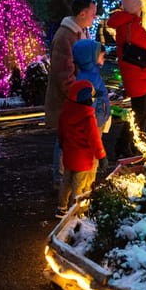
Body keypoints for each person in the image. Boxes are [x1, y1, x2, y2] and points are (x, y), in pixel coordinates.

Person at [44, 0, 97, 189]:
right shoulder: (66, 36)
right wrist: (78, 95)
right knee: (64, 139)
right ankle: (60, 180)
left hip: (76, 97)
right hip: (67, 100)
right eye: (92, 13)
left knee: (70, 139)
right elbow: (63, 73)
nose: (94, 17)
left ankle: (68, 177)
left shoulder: (80, 32)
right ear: (82, 13)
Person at [106, 0, 146, 158]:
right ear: (133, 10)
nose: (141, 10)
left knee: (141, 111)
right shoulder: (132, 26)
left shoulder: (125, 24)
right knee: (140, 112)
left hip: (134, 73)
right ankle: (125, 145)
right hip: (137, 74)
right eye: (139, 7)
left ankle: (132, 143)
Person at [56, 79, 107, 218]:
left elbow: (61, 132)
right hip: (83, 159)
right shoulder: (88, 117)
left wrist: (62, 144)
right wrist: (102, 156)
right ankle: (77, 212)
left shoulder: (65, 112)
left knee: (66, 181)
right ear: (86, 99)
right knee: (79, 186)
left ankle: (61, 208)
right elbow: (94, 139)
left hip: (69, 155)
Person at [72, 38, 111, 135]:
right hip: (93, 124)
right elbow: (89, 104)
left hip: (97, 120)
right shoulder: (90, 78)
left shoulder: (92, 74)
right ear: (91, 58)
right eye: (102, 57)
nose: (103, 60)